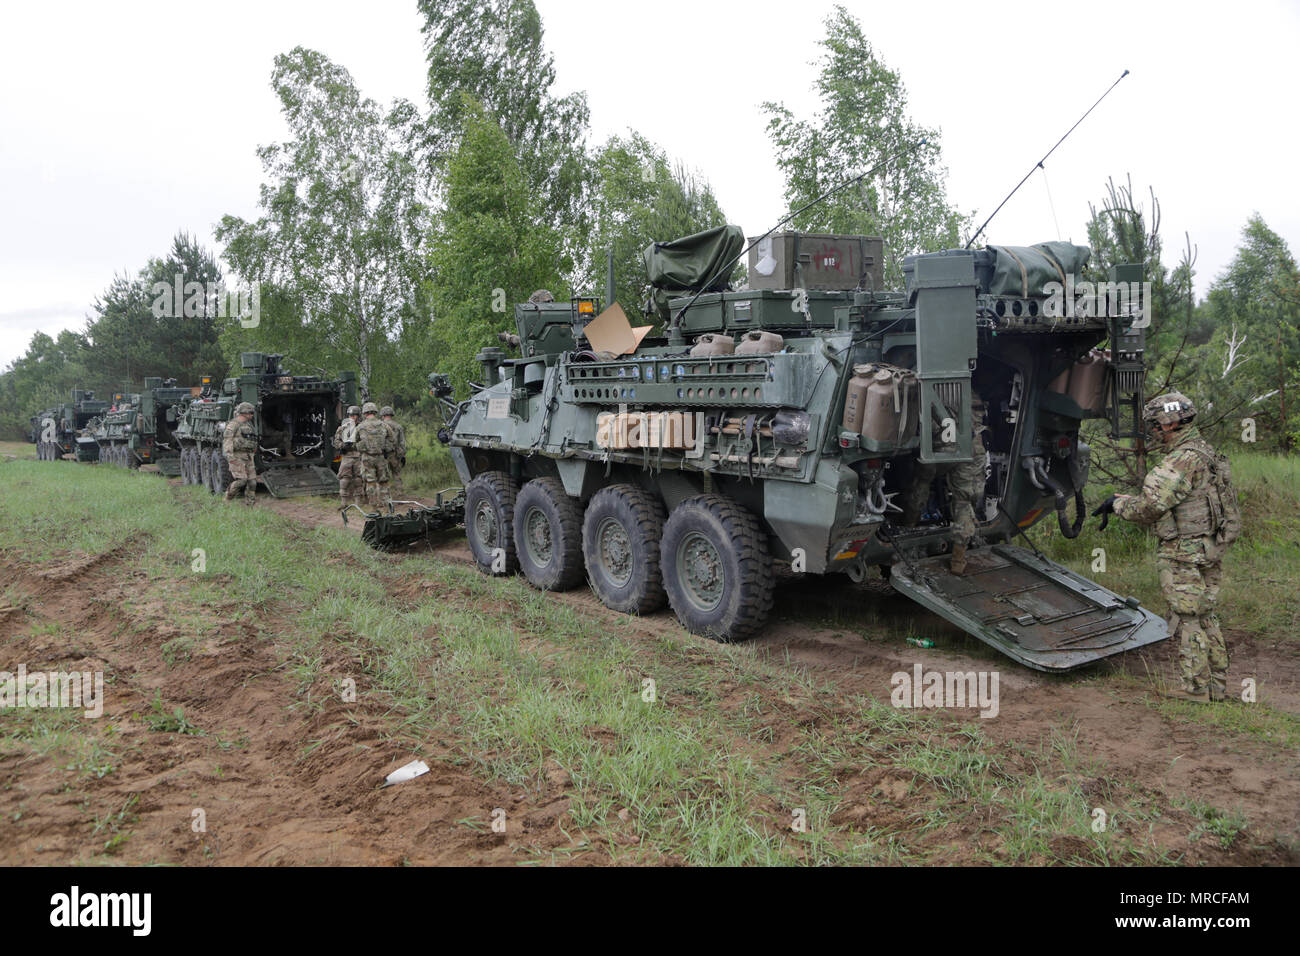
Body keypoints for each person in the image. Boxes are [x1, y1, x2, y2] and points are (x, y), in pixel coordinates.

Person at [1093, 392, 1239, 703]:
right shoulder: (1206, 452)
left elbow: (1151, 506)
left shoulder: (1179, 459)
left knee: (1188, 617)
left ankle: (1196, 689)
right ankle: (1216, 686)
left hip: (1183, 551)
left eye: (1156, 426)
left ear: (1170, 424)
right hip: (1209, 547)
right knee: (1207, 615)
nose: (1154, 433)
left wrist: (1118, 507)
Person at [899, 389, 988, 574]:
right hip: (972, 447)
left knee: (921, 483)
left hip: (941, 449)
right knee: (963, 501)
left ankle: (908, 533)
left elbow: (921, 426)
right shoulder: (969, 389)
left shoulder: (931, 385)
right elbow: (980, 417)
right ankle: (958, 560)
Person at [355, 402, 393, 512]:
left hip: (367, 458)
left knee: (370, 482)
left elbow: (354, 441)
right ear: (375, 412)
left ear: (364, 413)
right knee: (383, 482)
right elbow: (392, 439)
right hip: (381, 457)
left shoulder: (360, 426)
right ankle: (387, 506)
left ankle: (373, 508)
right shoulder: (384, 425)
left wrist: (361, 447)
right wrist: (386, 448)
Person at [222, 401, 258, 505]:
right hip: (237, 456)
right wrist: (230, 457)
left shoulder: (248, 425)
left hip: (248, 456)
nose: (252, 415)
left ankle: (250, 505)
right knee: (241, 480)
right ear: (244, 413)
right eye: (250, 413)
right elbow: (227, 440)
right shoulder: (233, 425)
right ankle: (227, 499)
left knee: (252, 482)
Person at [332, 405, 363, 510]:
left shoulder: (362, 427)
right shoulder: (343, 427)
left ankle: (358, 502)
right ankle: (343, 502)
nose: (352, 417)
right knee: (344, 479)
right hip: (347, 457)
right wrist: (342, 446)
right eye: (350, 415)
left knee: (358, 479)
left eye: (354, 415)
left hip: (358, 456)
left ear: (358, 416)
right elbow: (336, 441)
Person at [380, 406, 406, 498]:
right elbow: (402, 442)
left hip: (384, 455)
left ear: (382, 415)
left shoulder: (381, 426)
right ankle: (400, 493)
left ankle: (386, 495)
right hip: (395, 454)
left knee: (384, 476)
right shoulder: (398, 426)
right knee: (397, 474)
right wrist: (403, 455)